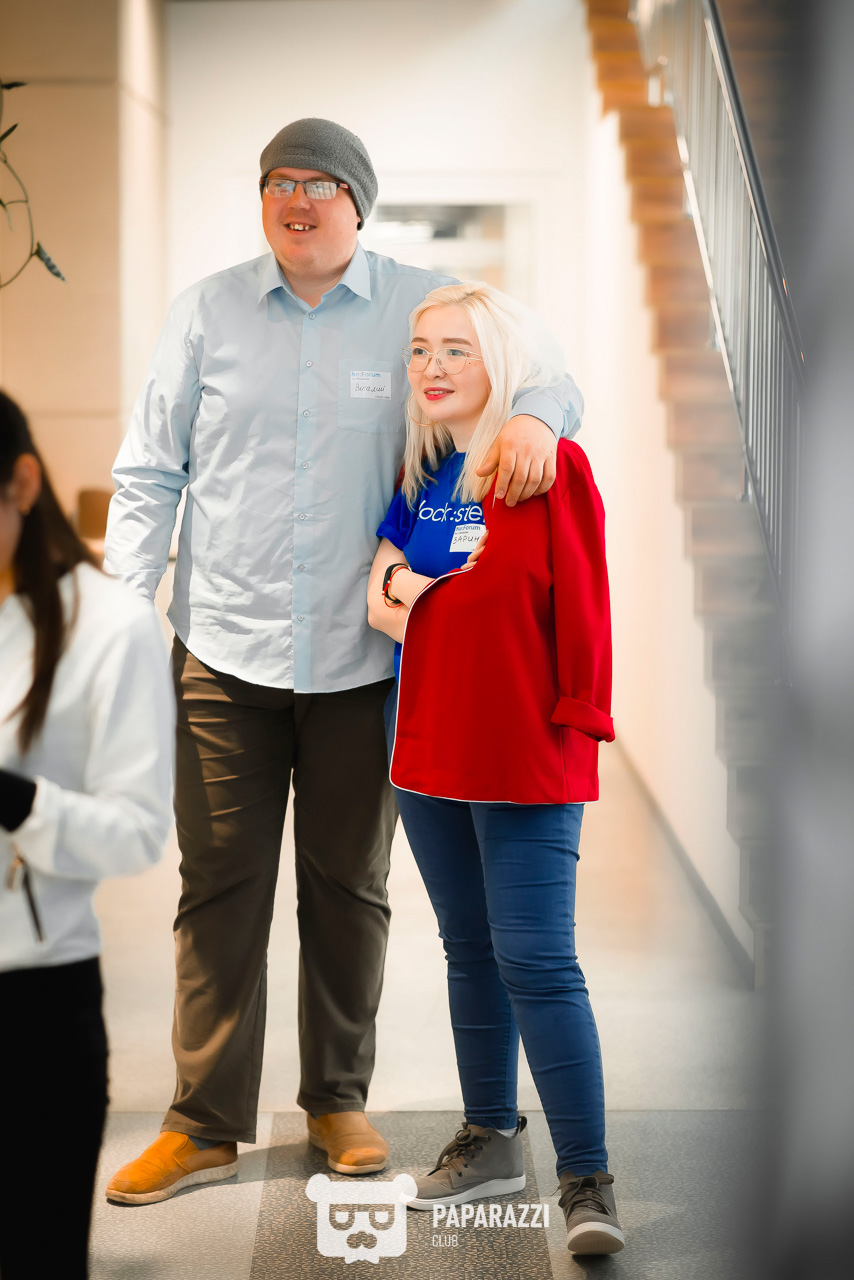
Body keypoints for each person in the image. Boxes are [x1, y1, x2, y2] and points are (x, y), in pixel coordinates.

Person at [102, 116, 584, 1203]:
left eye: (320, 183)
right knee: (217, 887)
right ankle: (203, 1122)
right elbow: (149, 473)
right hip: (222, 650)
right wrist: (124, 618)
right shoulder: (206, 312)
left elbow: (543, 368)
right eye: (279, 181)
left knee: (349, 886)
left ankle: (335, 1100)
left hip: (365, 661)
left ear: (357, 202)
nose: (297, 199)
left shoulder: (418, 307)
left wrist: (537, 420)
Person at [367, 283, 625, 1256]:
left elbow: (581, 608)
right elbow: (377, 599)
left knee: (538, 960)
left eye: (456, 350)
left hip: (523, 747)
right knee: (468, 949)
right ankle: (491, 1141)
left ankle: (586, 1179)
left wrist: (418, 591)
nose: (430, 367)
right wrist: (418, 592)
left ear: (503, 362)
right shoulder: (425, 471)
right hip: (424, 744)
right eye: (419, 349)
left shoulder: (547, 464)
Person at [0, 391, 174, 1278]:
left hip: (31, 1007)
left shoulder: (109, 627)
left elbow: (138, 833)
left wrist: (16, 802)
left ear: (22, 483)